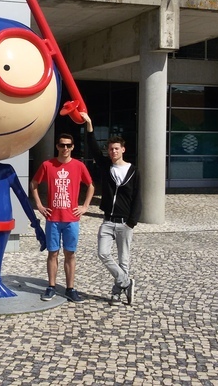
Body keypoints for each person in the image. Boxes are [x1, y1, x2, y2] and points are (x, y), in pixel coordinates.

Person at [82, 113, 142, 306]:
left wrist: (132, 222)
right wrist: (89, 126)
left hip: (125, 222)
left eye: (116, 148)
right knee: (103, 253)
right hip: (108, 221)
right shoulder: (106, 167)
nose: (113, 151)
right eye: (110, 149)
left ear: (123, 149)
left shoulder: (133, 171)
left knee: (124, 260)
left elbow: (137, 197)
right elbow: (93, 148)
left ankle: (117, 293)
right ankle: (126, 282)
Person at [29, 133, 94, 303]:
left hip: (71, 219)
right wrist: (39, 206)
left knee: (70, 253)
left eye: (68, 145)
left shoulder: (79, 166)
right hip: (53, 218)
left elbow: (90, 186)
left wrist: (85, 206)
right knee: (53, 253)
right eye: (62, 145)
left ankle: (70, 288)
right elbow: (34, 184)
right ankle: (51, 286)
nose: (65, 148)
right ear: (57, 146)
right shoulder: (47, 165)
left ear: (72, 147)